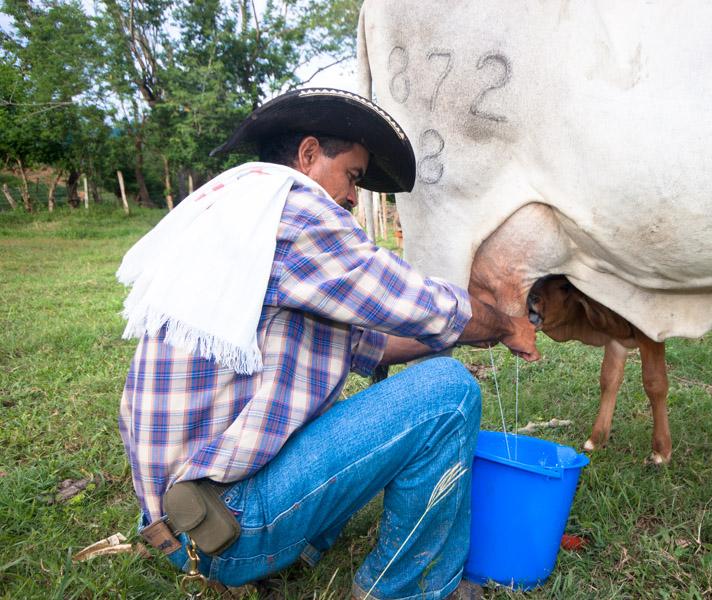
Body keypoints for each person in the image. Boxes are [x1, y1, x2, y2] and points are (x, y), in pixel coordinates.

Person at [117, 88, 539, 600]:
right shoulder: (296, 212)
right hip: (228, 528)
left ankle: (289, 550)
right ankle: (404, 590)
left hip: (192, 525)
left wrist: (473, 337)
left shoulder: (242, 218)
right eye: (354, 177)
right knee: (448, 393)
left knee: (410, 391)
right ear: (310, 154)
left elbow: (373, 345)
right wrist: (506, 324)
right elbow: (412, 300)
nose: (352, 198)